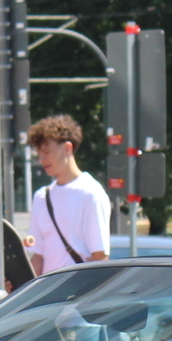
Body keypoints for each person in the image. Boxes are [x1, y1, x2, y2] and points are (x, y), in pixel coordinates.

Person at [24, 114, 111, 275]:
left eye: (47, 152)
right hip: (48, 294)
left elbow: (100, 256)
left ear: (67, 148)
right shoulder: (41, 196)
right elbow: (38, 257)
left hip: (78, 295)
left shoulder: (91, 193)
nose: (42, 160)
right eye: (39, 154)